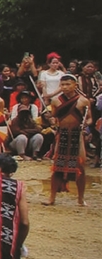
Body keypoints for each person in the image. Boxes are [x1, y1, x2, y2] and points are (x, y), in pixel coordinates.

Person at [45, 73, 89, 206]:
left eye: (68, 84)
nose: (65, 87)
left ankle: (80, 199)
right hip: (62, 134)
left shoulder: (83, 101)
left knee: (80, 166)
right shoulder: (56, 101)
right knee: (57, 167)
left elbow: (90, 118)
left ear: (75, 85)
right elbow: (53, 117)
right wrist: (52, 119)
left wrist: (86, 123)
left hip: (77, 135)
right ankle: (52, 198)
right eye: (62, 84)